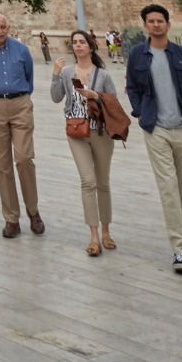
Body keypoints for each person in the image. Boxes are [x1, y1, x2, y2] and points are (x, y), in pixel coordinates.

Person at [126, 4, 182, 275]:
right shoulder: (138, 55)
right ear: (145, 26)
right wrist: (140, 112)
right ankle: (179, 250)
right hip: (156, 129)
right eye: (151, 21)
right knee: (169, 189)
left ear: (168, 25)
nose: (156, 25)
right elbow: (132, 87)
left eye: (160, 21)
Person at [0, 11, 44, 238]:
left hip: (20, 104)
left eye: (3, 26)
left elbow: (29, 76)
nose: (0, 30)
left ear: (9, 27)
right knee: (2, 164)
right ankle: (11, 218)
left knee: (23, 158)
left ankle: (33, 211)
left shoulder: (21, 50)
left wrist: (21, 97)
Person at [51, 32, 120, 257]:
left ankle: (106, 231)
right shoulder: (67, 72)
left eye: (82, 42)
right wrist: (55, 75)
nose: (78, 46)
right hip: (76, 130)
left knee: (102, 182)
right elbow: (55, 97)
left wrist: (95, 96)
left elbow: (114, 103)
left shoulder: (103, 75)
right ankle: (93, 235)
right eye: (75, 43)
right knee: (87, 181)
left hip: (100, 132)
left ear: (90, 47)